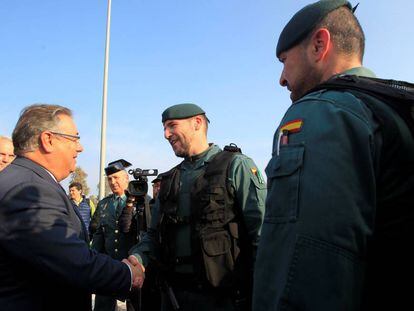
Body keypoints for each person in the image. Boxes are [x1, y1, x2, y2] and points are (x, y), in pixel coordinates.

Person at [253, 1, 414, 310]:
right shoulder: (394, 111)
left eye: (284, 61)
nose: (282, 78)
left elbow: (305, 271)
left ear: (319, 45)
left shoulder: (322, 112)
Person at [0, 104, 143, 311]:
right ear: (48, 140)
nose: (80, 147)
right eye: (74, 139)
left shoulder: (27, 180)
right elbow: (71, 261)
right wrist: (129, 274)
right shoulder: (29, 188)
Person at [130, 103, 266, 311]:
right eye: (164, 128)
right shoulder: (169, 179)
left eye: (172, 126)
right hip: (174, 297)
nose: (166, 134)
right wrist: (137, 259)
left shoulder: (236, 166)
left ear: (197, 123)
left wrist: (263, 295)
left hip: (224, 298)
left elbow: (262, 235)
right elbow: (153, 235)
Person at [91, 159, 139, 311]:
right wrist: (95, 262)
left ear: (126, 178)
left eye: (116, 177)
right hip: (109, 266)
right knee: (102, 305)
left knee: (135, 305)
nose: (113, 182)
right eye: (110, 179)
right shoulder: (104, 204)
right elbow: (99, 236)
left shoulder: (140, 202)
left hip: (132, 266)